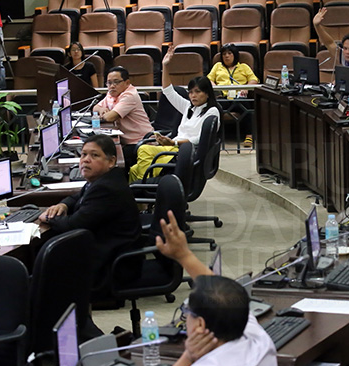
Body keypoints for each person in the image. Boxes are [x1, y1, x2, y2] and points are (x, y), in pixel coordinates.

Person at [135, 210, 286, 366]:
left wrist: (187, 357)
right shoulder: (258, 342)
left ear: (201, 324)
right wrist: (183, 255)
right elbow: (222, 293)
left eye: (187, 314)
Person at [39, 134, 143, 291]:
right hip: (107, 252)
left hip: (111, 267)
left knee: (45, 258)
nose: (86, 160)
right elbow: (77, 197)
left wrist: (49, 217)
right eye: (83, 154)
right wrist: (63, 205)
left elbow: (72, 226)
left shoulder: (106, 189)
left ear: (111, 161)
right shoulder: (104, 179)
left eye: (94, 155)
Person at [130, 48, 220, 183]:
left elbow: (199, 139)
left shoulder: (212, 111)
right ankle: (142, 196)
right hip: (173, 147)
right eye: (190, 92)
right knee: (133, 169)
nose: (193, 95)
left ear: (207, 93)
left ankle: (145, 186)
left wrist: (174, 142)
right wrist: (165, 66)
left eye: (198, 92)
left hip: (185, 153)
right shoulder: (188, 107)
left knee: (143, 151)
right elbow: (168, 91)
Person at [92, 66, 154, 170]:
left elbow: (110, 117)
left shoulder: (129, 95)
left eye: (116, 82)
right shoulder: (112, 93)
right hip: (126, 140)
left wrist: (105, 113)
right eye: (109, 83)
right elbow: (95, 108)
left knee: (108, 158)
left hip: (141, 142)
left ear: (127, 82)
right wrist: (102, 109)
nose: (112, 86)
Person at [207, 43, 259, 148]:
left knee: (245, 105)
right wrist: (216, 88)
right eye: (224, 54)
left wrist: (246, 88)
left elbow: (254, 80)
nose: (226, 56)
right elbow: (209, 79)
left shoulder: (243, 67)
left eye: (229, 53)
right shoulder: (217, 66)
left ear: (235, 55)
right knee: (213, 107)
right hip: (223, 97)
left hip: (239, 97)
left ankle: (249, 135)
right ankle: (213, 136)